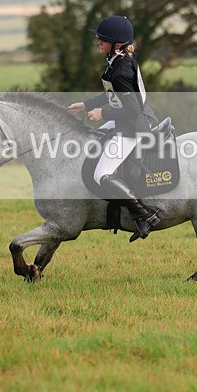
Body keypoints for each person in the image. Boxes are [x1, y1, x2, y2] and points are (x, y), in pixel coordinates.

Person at [68, 15, 160, 242]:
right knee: (95, 137)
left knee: (102, 174)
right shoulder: (118, 61)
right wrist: (86, 105)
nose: (99, 42)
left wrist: (103, 113)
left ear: (117, 44)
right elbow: (112, 94)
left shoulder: (121, 69)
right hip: (125, 121)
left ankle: (144, 214)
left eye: (103, 39)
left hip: (133, 127)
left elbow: (132, 109)